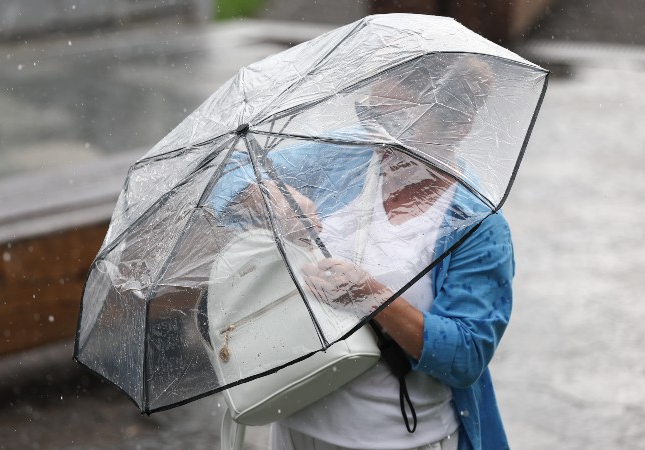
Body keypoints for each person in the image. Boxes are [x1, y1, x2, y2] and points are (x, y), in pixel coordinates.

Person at [209, 54, 514, 450]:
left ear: (457, 126)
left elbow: (465, 355)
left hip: (400, 440)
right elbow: (227, 170)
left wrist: (371, 296)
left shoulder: (475, 225)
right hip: (295, 427)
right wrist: (264, 198)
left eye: (396, 122)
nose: (375, 132)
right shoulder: (347, 154)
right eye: (368, 112)